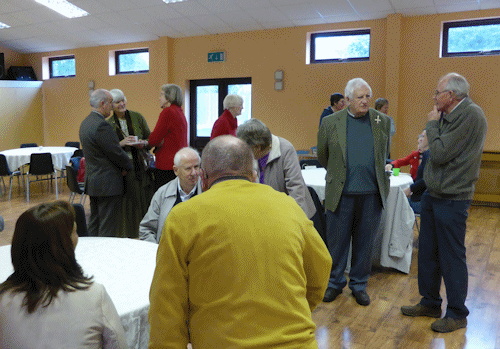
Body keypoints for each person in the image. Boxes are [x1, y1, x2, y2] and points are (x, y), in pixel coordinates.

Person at [148, 135, 332, 349]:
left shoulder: (183, 217)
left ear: (204, 179)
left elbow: (166, 306)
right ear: (254, 176)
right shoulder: (289, 207)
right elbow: (320, 271)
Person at [401, 73, 487, 333]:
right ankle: (429, 302)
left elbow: (438, 152)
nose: (434, 97)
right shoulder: (449, 115)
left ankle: (457, 313)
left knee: (451, 257)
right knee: (428, 252)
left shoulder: (471, 115)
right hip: (434, 194)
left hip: (453, 197)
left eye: (437, 93)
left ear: (452, 95)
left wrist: (431, 126)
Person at [0, 201, 128, 349]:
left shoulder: (3, 299)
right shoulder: (94, 296)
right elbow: (118, 344)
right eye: (75, 232)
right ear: (65, 246)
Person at [317, 78, 391, 306]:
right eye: (360, 97)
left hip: (371, 193)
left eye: (368, 96)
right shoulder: (331, 122)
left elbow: (383, 153)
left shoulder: (382, 121)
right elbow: (323, 155)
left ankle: (359, 285)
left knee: (364, 242)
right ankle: (334, 282)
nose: (365, 101)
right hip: (342, 192)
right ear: (347, 100)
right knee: (337, 242)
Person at [236, 118, 316, 219]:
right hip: (265, 211)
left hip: (289, 212)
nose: (244, 151)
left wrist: (295, 219)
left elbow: (296, 188)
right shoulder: (249, 153)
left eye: (246, 148)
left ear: (258, 147)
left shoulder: (286, 149)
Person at [79, 89, 132, 237]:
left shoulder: (86, 123)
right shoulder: (102, 125)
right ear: (102, 104)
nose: (112, 107)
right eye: (110, 103)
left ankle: (92, 254)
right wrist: (128, 166)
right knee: (108, 226)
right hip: (107, 184)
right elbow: (115, 153)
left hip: (94, 181)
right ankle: (103, 256)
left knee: (94, 223)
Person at [107, 89, 154, 238]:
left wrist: (142, 143)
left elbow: (150, 139)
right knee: (128, 203)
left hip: (140, 166)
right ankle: (129, 233)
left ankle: (144, 231)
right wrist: (120, 143)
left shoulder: (137, 117)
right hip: (122, 169)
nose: (121, 104)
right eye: (117, 102)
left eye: (123, 100)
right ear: (111, 105)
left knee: (143, 199)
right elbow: (107, 148)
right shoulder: (109, 123)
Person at [139, 147, 202, 243]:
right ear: (176, 170)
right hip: (167, 253)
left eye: (196, 167)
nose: (194, 173)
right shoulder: (163, 193)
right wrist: (156, 252)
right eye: (188, 168)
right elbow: (146, 229)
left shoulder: (209, 191)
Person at [148, 84, 188, 191]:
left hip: (166, 165)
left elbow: (153, 139)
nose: (159, 98)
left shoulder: (168, 112)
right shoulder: (180, 112)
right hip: (178, 163)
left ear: (168, 97)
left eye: (161, 95)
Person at [386, 131, 430, 214]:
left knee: (395, 204)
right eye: (418, 143)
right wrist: (391, 165)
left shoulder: (429, 157)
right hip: (416, 189)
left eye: (422, 140)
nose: (419, 145)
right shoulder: (415, 155)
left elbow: (425, 180)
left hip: (420, 195)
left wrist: (410, 189)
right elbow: (401, 161)